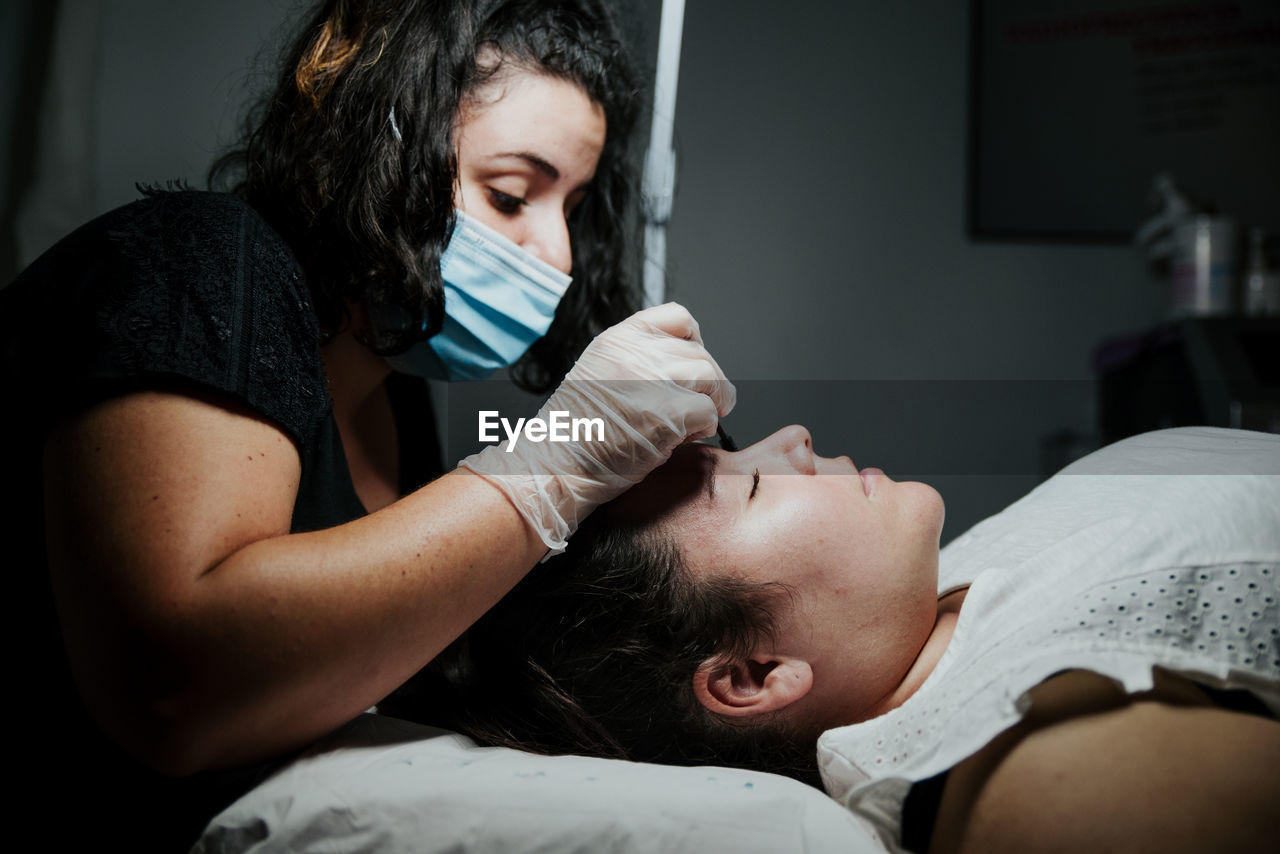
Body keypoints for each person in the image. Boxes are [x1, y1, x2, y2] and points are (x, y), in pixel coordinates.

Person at [2, 1, 733, 848]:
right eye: (510, 194)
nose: (561, 257)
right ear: (377, 140)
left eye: (571, 207)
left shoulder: (394, 394)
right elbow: (175, 695)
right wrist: (557, 463)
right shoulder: (202, 263)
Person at [437, 425, 1280, 853]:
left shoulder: (933, 605)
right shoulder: (1031, 772)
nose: (797, 438)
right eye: (756, 484)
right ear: (754, 673)